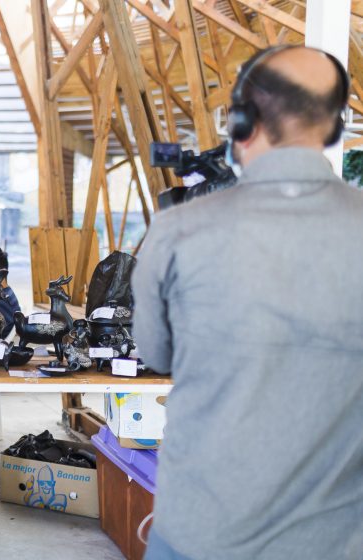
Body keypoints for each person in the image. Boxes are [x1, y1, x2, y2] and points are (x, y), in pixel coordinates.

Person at [132, 46, 363, 559]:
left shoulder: (178, 229)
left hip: (199, 532)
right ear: (332, 127)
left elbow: (155, 354)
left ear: (241, 120)